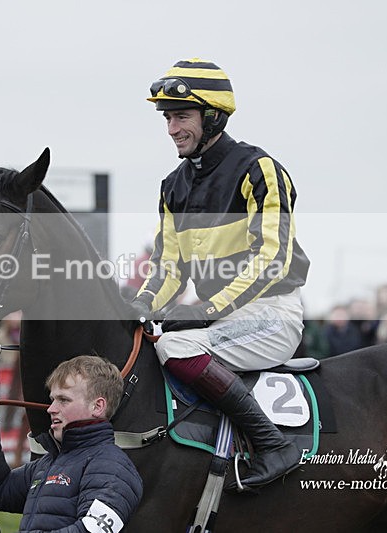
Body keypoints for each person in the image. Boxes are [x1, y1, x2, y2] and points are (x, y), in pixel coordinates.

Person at [130, 58, 310, 490]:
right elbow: (168, 268)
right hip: (219, 319)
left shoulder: (258, 169)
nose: (172, 129)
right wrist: (134, 308)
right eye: (168, 118)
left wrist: (207, 310)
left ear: (213, 116)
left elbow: (273, 258)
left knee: (173, 346)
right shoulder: (173, 185)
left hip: (270, 315)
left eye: (182, 116)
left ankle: (272, 444)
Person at [0, 355, 143, 532]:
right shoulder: (49, 463)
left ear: (97, 406)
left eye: (63, 400)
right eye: (53, 400)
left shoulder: (114, 468)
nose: (51, 409)